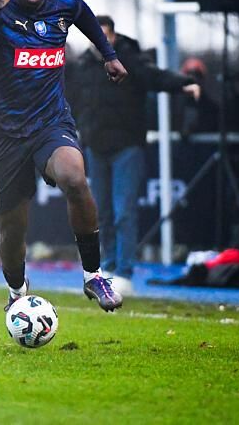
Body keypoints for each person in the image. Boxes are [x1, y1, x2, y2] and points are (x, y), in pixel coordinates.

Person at [0, 0, 128, 312]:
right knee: (13, 232)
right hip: (5, 135)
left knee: (75, 178)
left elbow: (83, 14)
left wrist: (109, 55)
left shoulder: (63, 3)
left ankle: (93, 275)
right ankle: (17, 292)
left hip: (50, 122)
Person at [70, 15, 199, 295]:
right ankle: (107, 268)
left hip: (127, 146)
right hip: (95, 146)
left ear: (113, 37)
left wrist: (183, 83)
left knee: (124, 211)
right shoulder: (81, 66)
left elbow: (155, 76)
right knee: (100, 213)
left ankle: (124, 272)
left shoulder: (130, 58)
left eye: (103, 36)